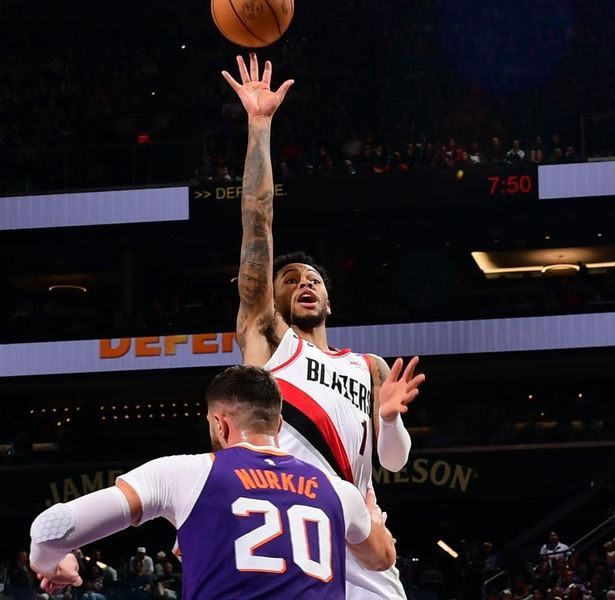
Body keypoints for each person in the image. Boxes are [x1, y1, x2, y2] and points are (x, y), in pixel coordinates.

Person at [224, 52, 425, 600]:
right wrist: (259, 126)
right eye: (290, 279)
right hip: (287, 524)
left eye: (313, 279)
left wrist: (388, 420)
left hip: (359, 529)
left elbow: (393, 461)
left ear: (330, 300)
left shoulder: (369, 366)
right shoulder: (267, 339)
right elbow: (256, 217)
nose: (303, 284)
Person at [28, 365, 396, 599]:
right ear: (279, 424)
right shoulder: (338, 491)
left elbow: (50, 527)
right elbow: (381, 559)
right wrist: (374, 518)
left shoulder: (185, 474)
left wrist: (52, 564)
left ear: (219, 424)